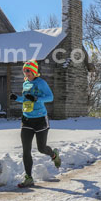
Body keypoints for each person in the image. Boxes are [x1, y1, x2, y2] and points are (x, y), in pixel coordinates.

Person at [9, 59, 60, 188]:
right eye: (24, 71)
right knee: (26, 150)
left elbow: (50, 97)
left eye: (28, 71)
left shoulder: (41, 83)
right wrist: (17, 98)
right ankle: (29, 177)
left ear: (34, 71)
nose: (26, 73)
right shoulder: (25, 83)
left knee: (41, 148)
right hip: (26, 119)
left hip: (40, 119)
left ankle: (53, 154)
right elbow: (26, 100)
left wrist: (37, 98)